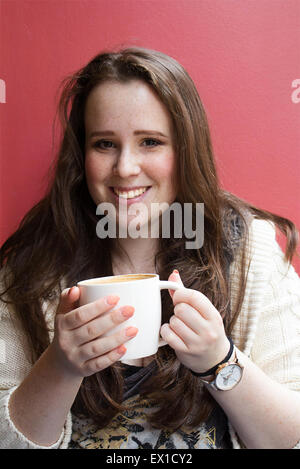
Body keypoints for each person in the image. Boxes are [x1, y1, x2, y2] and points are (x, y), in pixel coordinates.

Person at [0, 47, 300, 450]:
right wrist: (60, 366)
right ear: (80, 154)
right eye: (105, 143)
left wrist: (221, 361)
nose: (125, 167)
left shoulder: (250, 252)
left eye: (150, 142)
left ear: (185, 150)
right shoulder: (31, 266)